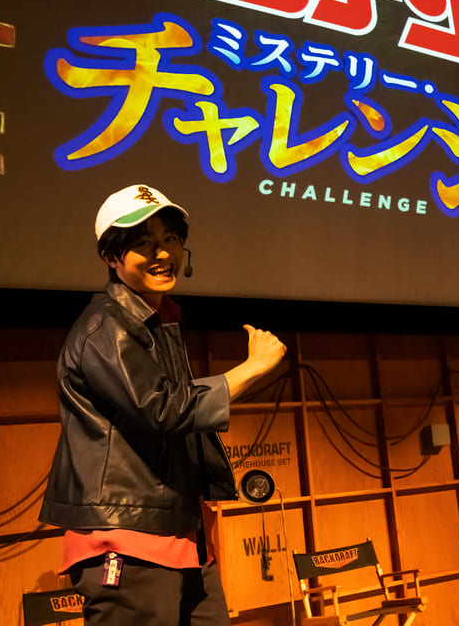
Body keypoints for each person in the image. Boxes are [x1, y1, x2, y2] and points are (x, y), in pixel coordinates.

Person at [39, 183, 287, 626]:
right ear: (111, 257)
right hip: (127, 535)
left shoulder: (158, 320)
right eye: (143, 243)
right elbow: (163, 409)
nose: (162, 253)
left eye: (170, 239)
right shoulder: (106, 326)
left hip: (176, 530)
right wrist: (253, 368)